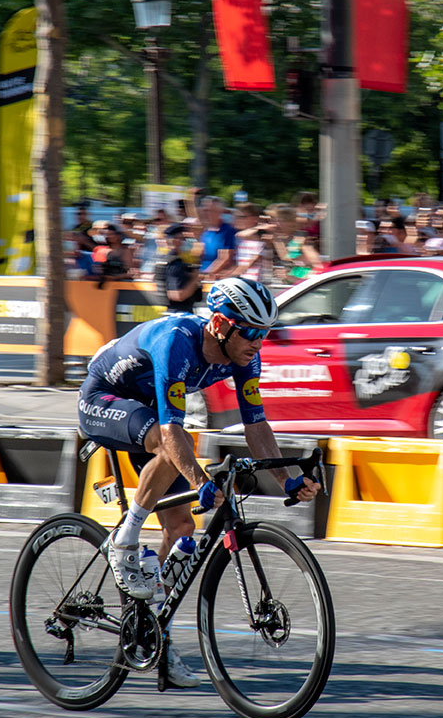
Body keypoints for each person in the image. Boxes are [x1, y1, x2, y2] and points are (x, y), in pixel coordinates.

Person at [76, 277, 319, 687]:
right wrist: (201, 479)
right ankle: (125, 537)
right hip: (104, 399)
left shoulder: (243, 357)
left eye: (266, 334)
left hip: (148, 411)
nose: (259, 342)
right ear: (222, 324)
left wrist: (287, 480)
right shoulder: (177, 341)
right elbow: (172, 431)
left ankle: (154, 635)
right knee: (177, 443)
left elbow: (256, 426)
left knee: (183, 528)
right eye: (253, 332)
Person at [156, 222, 202, 311]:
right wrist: (195, 279)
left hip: (170, 312)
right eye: (183, 239)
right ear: (177, 241)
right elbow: (178, 295)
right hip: (180, 313)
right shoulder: (175, 263)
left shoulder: (164, 260)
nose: (185, 242)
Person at [197, 196, 237, 279]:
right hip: (203, 274)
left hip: (216, 277)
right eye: (205, 211)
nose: (207, 214)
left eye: (212, 211)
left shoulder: (227, 231)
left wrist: (206, 274)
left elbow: (225, 258)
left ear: (220, 212)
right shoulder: (206, 231)